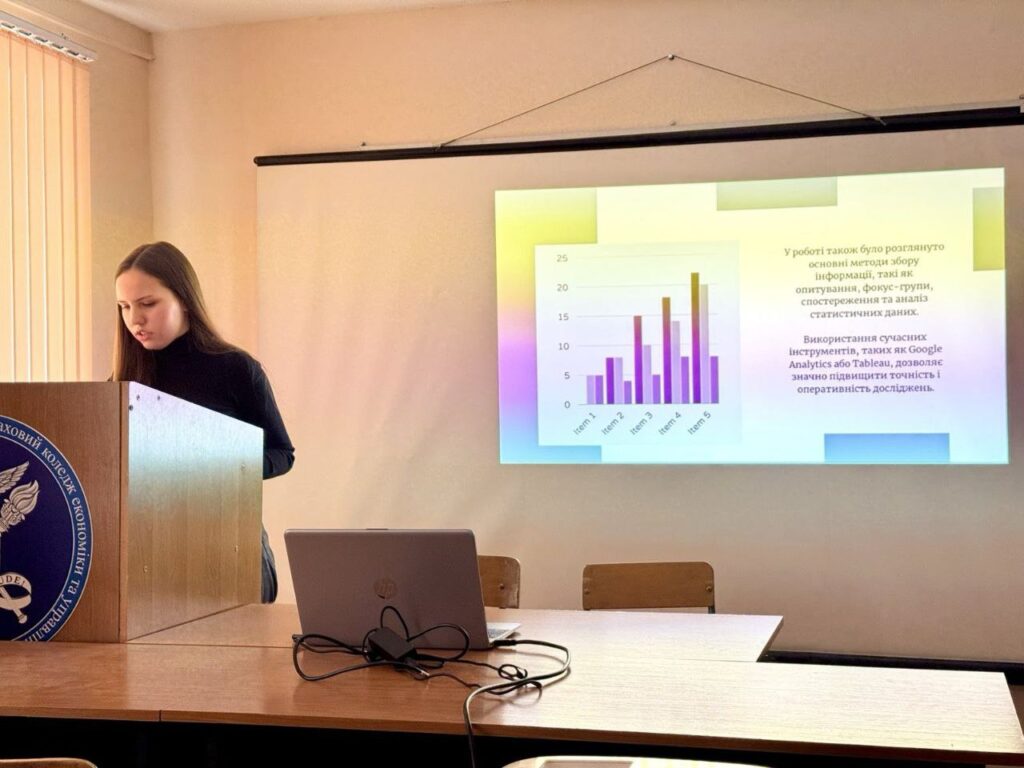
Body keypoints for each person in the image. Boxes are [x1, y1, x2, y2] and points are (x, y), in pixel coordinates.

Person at [111, 241, 294, 602]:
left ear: (184, 299)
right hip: (152, 558)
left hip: (232, 550)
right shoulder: (121, 382)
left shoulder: (235, 369)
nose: (135, 319)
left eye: (147, 304)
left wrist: (222, 466)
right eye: (124, 307)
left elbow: (282, 453)